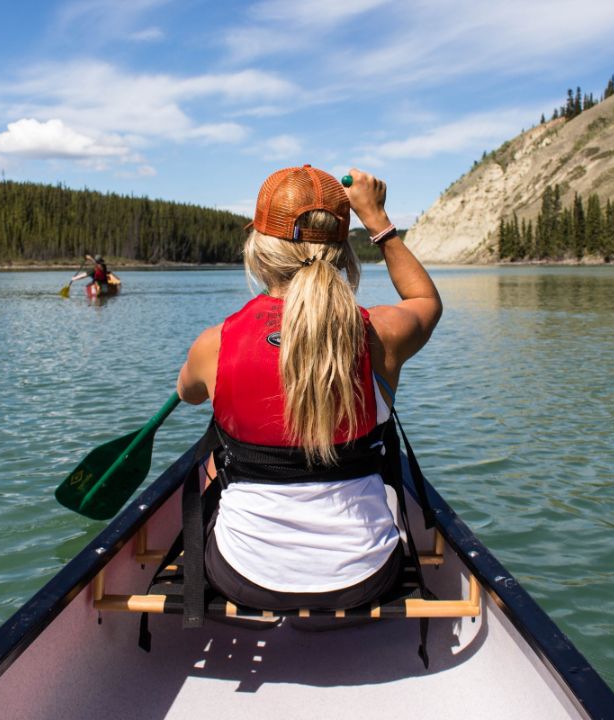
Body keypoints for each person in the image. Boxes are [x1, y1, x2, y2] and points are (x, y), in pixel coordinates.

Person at [176, 165, 442, 612]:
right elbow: (427, 302)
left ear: (258, 248)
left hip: (242, 575)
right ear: (342, 249)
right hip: (367, 573)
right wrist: (377, 220)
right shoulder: (381, 333)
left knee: (211, 463)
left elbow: (187, 394)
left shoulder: (213, 344)